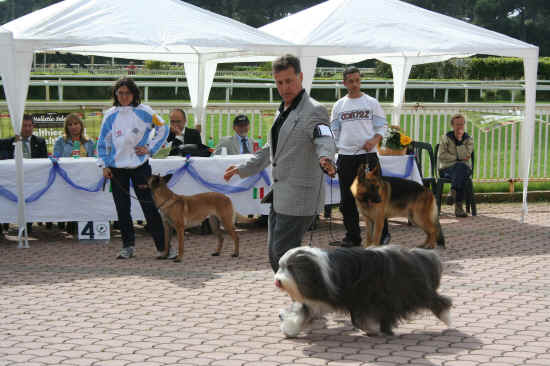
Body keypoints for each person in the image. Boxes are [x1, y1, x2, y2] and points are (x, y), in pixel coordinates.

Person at [223, 54, 336, 272]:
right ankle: (307, 296)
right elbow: (270, 149)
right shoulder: (283, 110)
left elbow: (324, 136)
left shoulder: (314, 110)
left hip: (301, 196)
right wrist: (243, 168)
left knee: (282, 256)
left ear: (301, 77)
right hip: (280, 195)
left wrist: (326, 157)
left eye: (289, 81)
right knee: (277, 255)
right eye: (279, 82)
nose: (285, 87)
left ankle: (307, 298)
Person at [97, 77, 169, 259]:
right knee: (122, 209)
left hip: (140, 166)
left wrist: (150, 148)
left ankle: (163, 247)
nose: (123, 96)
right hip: (116, 169)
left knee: (149, 207)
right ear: (115, 94)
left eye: (127, 93)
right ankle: (127, 246)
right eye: (120, 93)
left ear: (134, 93)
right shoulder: (109, 115)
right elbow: (103, 142)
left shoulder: (145, 111)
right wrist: (104, 165)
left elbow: (163, 128)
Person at [328, 67, 391, 248]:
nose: (354, 84)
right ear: (344, 83)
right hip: (346, 157)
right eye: (350, 81)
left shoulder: (371, 102)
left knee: (375, 197)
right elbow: (334, 131)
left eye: (357, 80)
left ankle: (382, 234)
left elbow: (382, 127)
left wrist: (374, 140)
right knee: (347, 199)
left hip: (368, 156)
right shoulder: (339, 105)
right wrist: (335, 152)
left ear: (360, 81)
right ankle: (353, 236)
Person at [0, 114, 49, 236]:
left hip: (34, 180)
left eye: (29, 126)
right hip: (13, 180)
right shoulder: (6, 143)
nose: (27, 129)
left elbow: (44, 162)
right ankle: (6, 221)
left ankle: (29, 224)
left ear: (33, 127)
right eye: (24, 126)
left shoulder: (40, 142)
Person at [52, 113, 95, 234]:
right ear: (66, 128)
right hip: (67, 177)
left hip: (85, 177)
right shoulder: (60, 141)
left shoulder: (90, 142)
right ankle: (70, 222)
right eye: (70, 124)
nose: (73, 127)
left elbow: (94, 159)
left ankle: (84, 221)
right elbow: (56, 158)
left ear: (81, 125)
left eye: (76, 123)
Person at [438, 113, 474, 218]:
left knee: (461, 169)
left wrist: (459, 142)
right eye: (457, 124)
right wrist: (457, 159)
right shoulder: (445, 138)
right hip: (447, 168)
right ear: (452, 125)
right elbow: (442, 155)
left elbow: (466, 155)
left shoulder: (468, 139)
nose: (460, 127)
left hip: (463, 168)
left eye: (462, 124)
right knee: (461, 169)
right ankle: (458, 208)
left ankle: (453, 191)